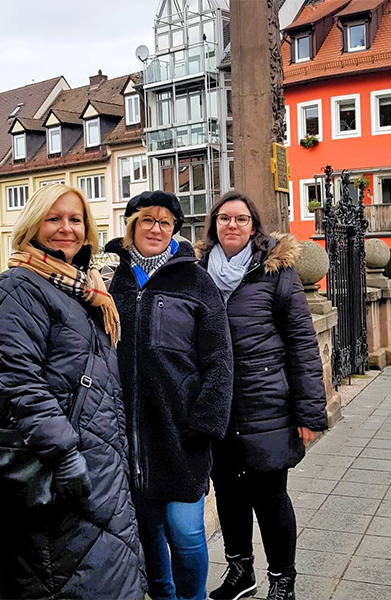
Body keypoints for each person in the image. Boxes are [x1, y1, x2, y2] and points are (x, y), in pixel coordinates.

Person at [0, 184, 144, 599]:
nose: (66, 229)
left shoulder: (85, 289)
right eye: (53, 219)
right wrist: (65, 455)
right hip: (61, 475)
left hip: (101, 466)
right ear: (33, 225)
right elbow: (19, 382)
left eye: (75, 220)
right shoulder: (17, 287)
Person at [198, 192, 328, 600]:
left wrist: (310, 412)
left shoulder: (275, 272)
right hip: (218, 409)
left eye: (240, 218)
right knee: (229, 496)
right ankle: (241, 573)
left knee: (270, 498)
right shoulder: (198, 272)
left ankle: (282, 581)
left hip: (265, 404)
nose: (231, 225)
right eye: (224, 218)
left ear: (253, 226)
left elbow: (302, 344)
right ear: (214, 225)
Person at [104, 190, 233, 600]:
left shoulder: (196, 281)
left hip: (182, 433)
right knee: (148, 530)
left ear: (175, 230)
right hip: (133, 434)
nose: (156, 229)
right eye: (147, 220)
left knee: (187, 532)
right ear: (131, 227)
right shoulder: (114, 285)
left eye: (165, 222)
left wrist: (206, 422)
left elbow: (220, 358)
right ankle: (164, 596)